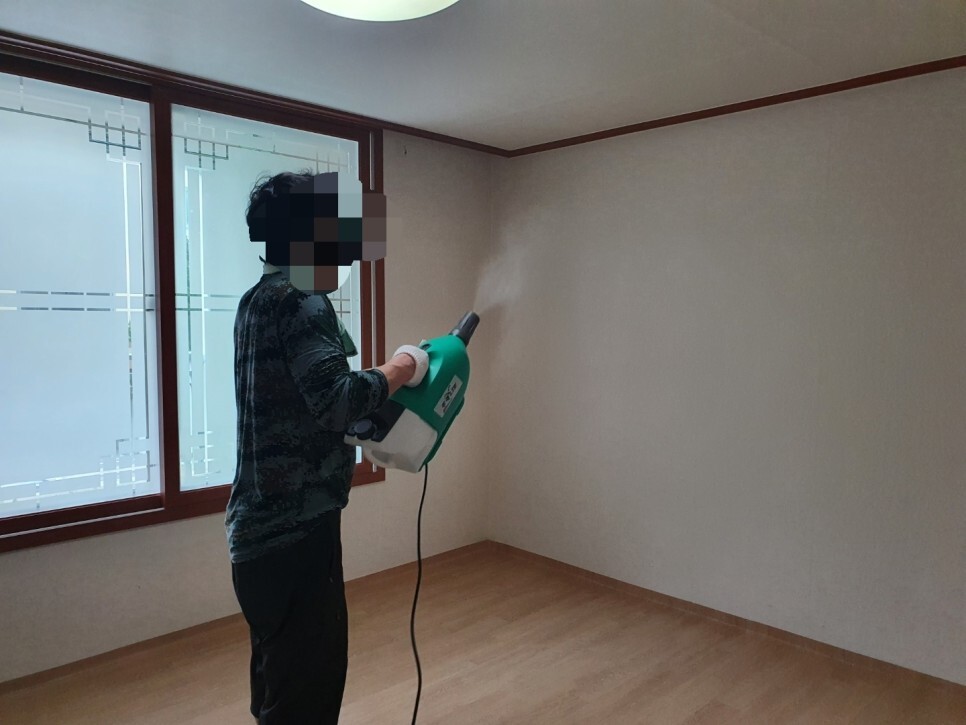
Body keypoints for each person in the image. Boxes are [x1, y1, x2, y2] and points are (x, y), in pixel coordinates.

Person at [226, 170, 427, 723]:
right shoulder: (303, 302)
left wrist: (371, 385)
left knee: (277, 687)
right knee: (308, 695)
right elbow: (337, 401)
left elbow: (307, 398)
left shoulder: (255, 301)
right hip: (297, 535)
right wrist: (402, 366)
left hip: (254, 534)